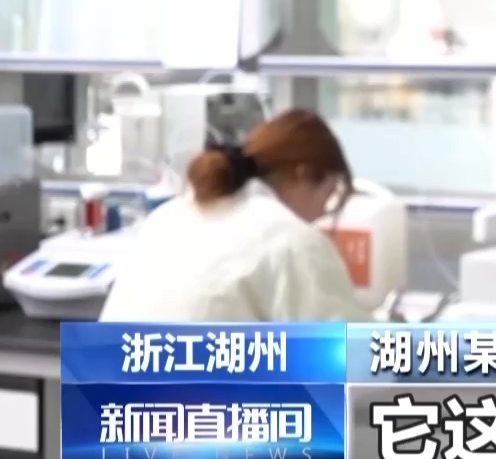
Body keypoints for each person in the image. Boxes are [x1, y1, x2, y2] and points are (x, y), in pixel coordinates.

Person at [101, 108, 374, 322]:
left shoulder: (167, 217)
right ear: (301, 174)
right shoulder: (291, 240)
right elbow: (353, 357)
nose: (321, 214)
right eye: (328, 195)